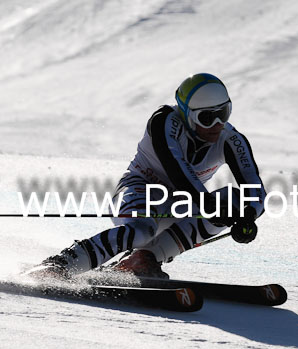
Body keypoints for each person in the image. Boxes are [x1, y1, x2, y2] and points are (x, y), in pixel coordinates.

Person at [35, 73, 266, 279]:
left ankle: (144, 259)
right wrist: (208, 204)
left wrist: (247, 218)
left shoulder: (231, 138)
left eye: (223, 113)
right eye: (207, 118)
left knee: (234, 202)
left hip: (179, 205)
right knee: (140, 231)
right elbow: (178, 170)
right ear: (187, 114)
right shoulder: (164, 121)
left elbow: (256, 192)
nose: (217, 124)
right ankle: (60, 265)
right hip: (138, 190)